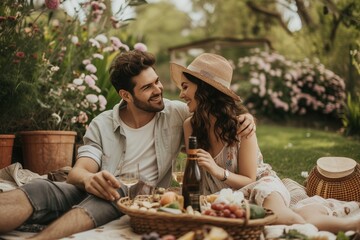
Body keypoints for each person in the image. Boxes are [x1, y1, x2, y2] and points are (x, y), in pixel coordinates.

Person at [0, 50, 256, 240]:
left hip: (136, 198)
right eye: (147, 87)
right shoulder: (102, 124)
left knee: (118, 189)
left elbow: (214, 112)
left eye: (157, 81)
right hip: (98, 190)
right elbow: (79, 171)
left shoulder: (177, 113)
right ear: (126, 95)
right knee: (42, 189)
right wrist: (90, 180)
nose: (158, 90)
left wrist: (245, 118)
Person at [170, 52, 360, 233]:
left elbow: (250, 179)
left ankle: (349, 226)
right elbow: (193, 174)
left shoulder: (241, 126)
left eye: (185, 87)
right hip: (226, 197)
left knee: (283, 218)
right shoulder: (190, 126)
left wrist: (218, 170)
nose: (181, 94)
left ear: (204, 89)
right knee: (287, 218)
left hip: (262, 186)